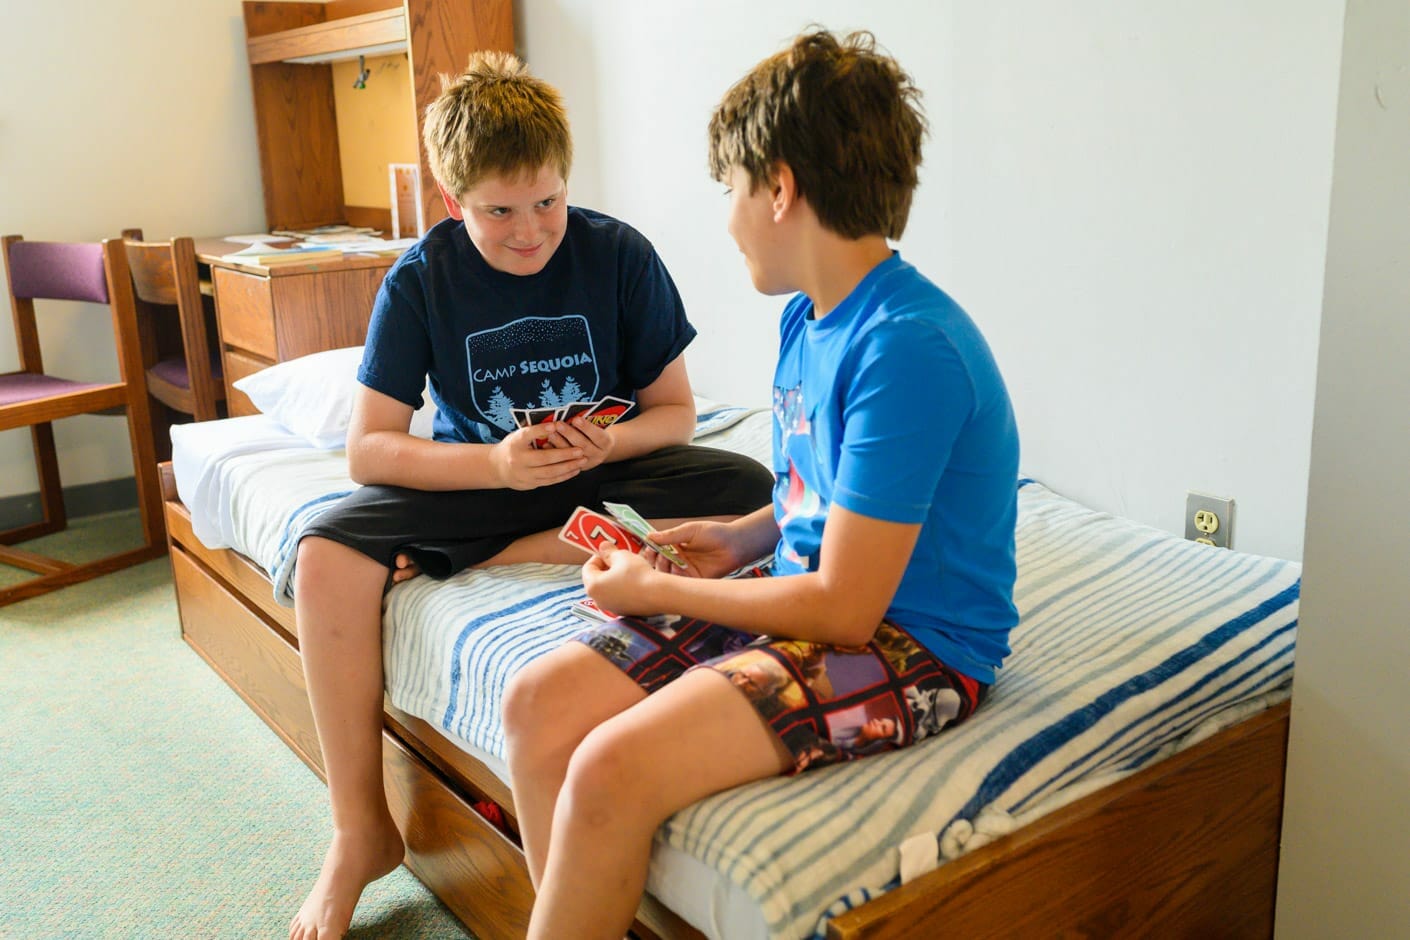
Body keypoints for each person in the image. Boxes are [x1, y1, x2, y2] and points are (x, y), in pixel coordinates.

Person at [501, 28, 1021, 940]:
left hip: (914, 644)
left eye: (731, 189)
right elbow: (814, 504)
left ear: (779, 188)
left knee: (608, 769)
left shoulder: (906, 349)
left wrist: (659, 587)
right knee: (536, 706)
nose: (728, 216)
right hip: (808, 595)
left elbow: (847, 610)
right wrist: (741, 538)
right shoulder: (806, 322)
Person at [287, 51, 773, 940]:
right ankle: (360, 833)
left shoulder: (618, 253)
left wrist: (609, 441)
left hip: (601, 474)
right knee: (324, 554)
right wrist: (499, 468)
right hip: (486, 481)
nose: (529, 232)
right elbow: (370, 449)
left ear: (567, 183)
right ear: (452, 202)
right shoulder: (422, 279)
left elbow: (675, 415)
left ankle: (497, 555)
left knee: (745, 486)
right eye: (498, 212)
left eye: (546, 203)